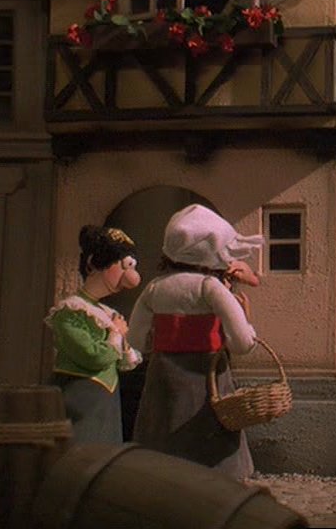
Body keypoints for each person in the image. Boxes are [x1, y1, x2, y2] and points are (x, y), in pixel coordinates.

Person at [127, 204, 265, 481]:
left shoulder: (155, 288)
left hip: (163, 376)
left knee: (162, 434)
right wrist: (248, 328)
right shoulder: (209, 287)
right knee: (210, 444)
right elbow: (241, 342)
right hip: (208, 375)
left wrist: (152, 345)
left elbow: (135, 338)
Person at [44, 225, 143, 444]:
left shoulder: (107, 313)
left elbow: (125, 362)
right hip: (80, 397)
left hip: (106, 401)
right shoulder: (70, 311)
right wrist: (116, 334)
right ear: (92, 264)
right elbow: (93, 356)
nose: (130, 276)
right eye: (123, 265)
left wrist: (121, 340)